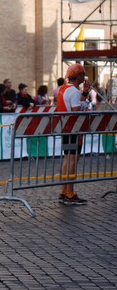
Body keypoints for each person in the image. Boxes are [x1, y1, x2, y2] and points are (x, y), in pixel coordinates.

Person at [56, 63, 90, 205]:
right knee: (72, 161)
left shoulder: (63, 89)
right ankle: (70, 193)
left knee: (66, 160)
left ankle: (64, 191)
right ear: (78, 76)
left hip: (66, 128)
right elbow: (76, 109)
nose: (84, 77)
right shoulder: (74, 91)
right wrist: (85, 105)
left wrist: (84, 94)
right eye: (83, 74)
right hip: (74, 129)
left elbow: (72, 103)